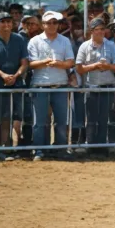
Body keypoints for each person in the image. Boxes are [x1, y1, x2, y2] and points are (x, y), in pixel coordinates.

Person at [27, 11, 75, 160]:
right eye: (49, 23)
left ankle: (60, 149)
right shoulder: (34, 41)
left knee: (61, 121)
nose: (52, 25)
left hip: (60, 85)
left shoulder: (65, 41)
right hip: (40, 85)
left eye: (55, 22)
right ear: (43, 25)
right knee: (39, 122)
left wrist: (59, 64)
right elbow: (31, 64)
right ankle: (39, 150)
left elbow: (70, 62)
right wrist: (46, 62)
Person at [0, 12, 29, 160]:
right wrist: (2, 75)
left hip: (16, 83)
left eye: (9, 21)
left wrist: (16, 75)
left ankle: (6, 147)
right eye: (3, 22)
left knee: (10, 118)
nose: (6, 24)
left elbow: (25, 61)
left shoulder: (19, 39)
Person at [76, 17, 115, 154]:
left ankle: (102, 147)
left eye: (103, 29)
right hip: (91, 87)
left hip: (107, 87)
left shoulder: (111, 45)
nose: (101, 32)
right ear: (91, 31)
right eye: (98, 29)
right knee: (91, 120)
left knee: (104, 119)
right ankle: (91, 147)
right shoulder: (84, 46)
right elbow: (78, 68)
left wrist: (108, 66)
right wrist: (94, 66)